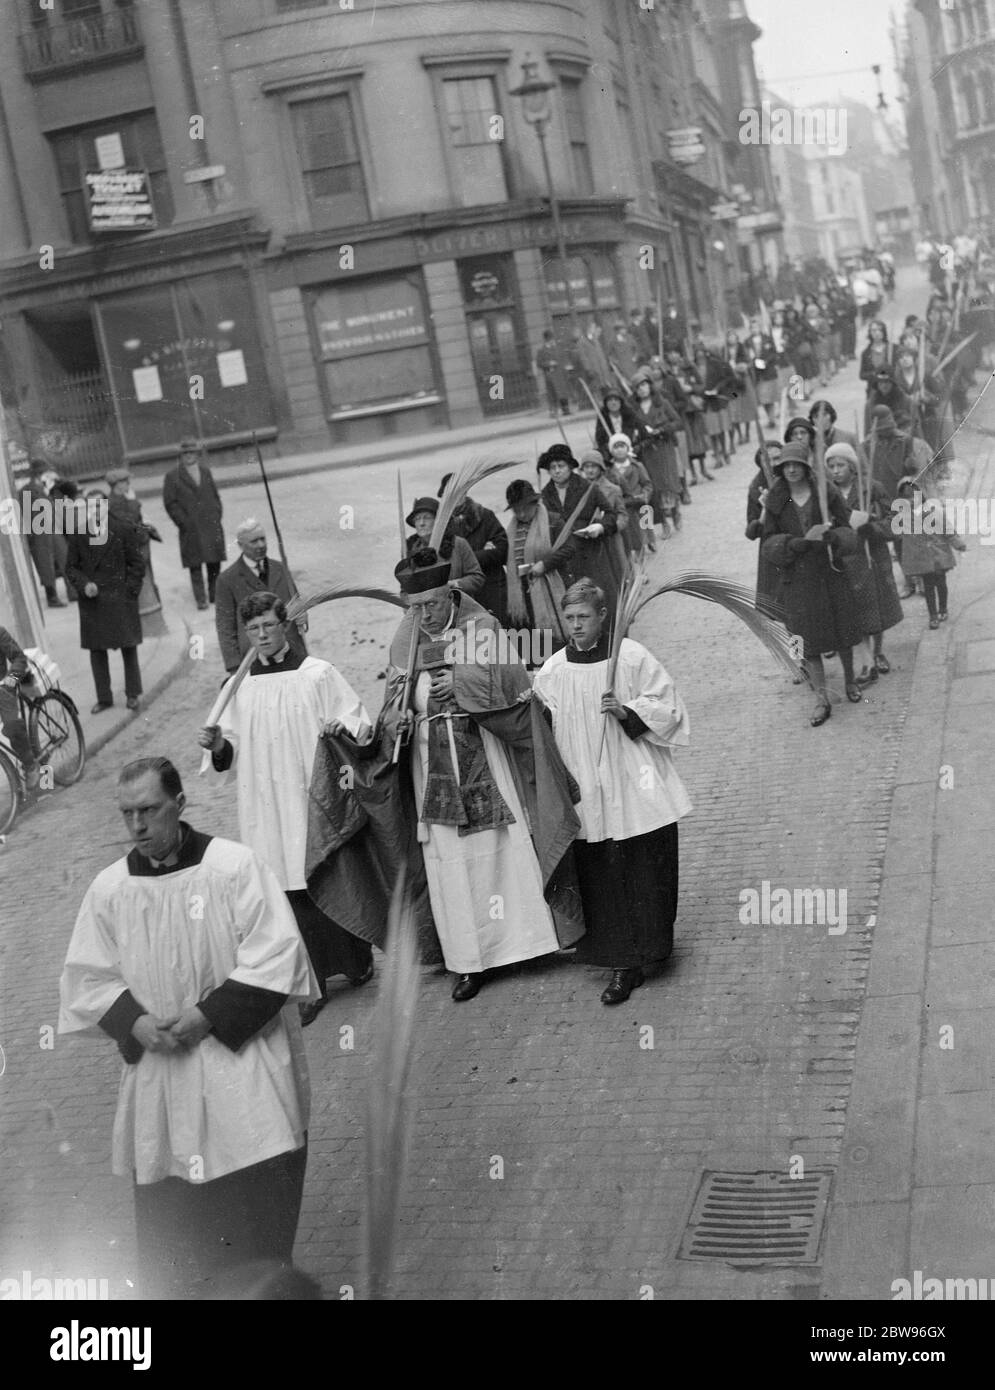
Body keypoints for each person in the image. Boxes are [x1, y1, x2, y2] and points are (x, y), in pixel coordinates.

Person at [58, 757, 317, 1300]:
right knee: (174, 1225)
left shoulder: (234, 867)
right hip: (162, 1078)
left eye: (149, 810)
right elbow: (87, 978)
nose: (138, 826)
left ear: (180, 803)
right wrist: (136, 1022)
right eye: (127, 813)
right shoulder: (110, 890)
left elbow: (278, 954)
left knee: (253, 1213)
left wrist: (208, 1015)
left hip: (241, 1068)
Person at [317, 548, 583, 1001]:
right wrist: (392, 723)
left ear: (451, 593)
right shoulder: (407, 637)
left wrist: (459, 684)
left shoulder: (480, 627)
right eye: (416, 608)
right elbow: (394, 701)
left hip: (485, 750)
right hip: (430, 759)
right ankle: (470, 960)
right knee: (451, 864)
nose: (425, 615)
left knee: (501, 849)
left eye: (433, 605)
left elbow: (514, 685)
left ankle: (526, 944)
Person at [199, 593, 374, 1024]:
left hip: (311, 793)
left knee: (323, 871)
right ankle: (309, 982)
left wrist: (342, 726)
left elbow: (358, 721)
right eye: (253, 629)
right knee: (284, 886)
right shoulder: (236, 689)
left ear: (285, 626)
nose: (261, 635)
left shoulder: (317, 675)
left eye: (269, 626)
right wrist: (218, 744)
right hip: (265, 802)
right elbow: (228, 750)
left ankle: (354, 962)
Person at [533, 580, 692, 1004]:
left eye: (584, 617)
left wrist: (628, 711)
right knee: (602, 870)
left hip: (631, 778)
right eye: (569, 618)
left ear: (603, 616)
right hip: (586, 784)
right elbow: (543, 725)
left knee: (641, 864)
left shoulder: (631, 657)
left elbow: (669, 706)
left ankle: (651, 950)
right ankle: (622, 961)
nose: (576, 626)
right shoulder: (553, 670)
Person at [760, 441, 863, 726]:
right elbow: (767, 541)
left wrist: (834, 538)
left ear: (806, 467)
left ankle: (851, 682)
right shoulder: (777, 499)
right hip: (798, 577)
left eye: (797, 465)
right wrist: (793, 544)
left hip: (829, 571)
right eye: (786, 466)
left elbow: (846, 527)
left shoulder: (825, 492)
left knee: (842, 630)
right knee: (808, 640)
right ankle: (821, 699)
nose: (792, 470)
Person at [824, 442, 903, 683]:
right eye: (831, 466)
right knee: (856, 613)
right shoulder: (826, 494)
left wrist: (874, 527)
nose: (836, 470)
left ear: (853, 466)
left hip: (872, 557)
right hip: (846, 561)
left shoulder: (872, 488)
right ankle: (867, 664)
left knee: (876, 609)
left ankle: (878, 653)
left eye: (841, 465)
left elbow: (896, 521)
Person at [65, 486, 145, 714]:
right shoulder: (79, 534)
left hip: (121, 598)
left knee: (128, 648)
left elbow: (137, 564)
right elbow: (71, 568)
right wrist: (84, 584)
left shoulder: (123, 529)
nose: (95, 510)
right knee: (97, 652)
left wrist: (130, 591)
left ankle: (132, 694)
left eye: (99, 505)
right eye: (90, 506)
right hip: (93, 602)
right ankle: (104, 698)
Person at [214, 518, 307, 675]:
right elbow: (225, 627)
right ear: (241, 545)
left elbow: (295, 603)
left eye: (262, 539)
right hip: (256, 658)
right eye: (254, 541)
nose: (261, 545)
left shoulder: (280, 568)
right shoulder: (227, 579)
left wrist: (302, 614)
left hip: (291, 651)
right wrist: (234, 667)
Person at [537, 443, 619, 609]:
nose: (557, 471)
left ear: (570, 467)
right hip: (564, 560)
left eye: (561, 466)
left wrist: (600, 528)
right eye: (552, 467)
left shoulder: (588, 488)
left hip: (590, 554)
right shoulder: (544, 496)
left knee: (598, 601)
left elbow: (611, 515)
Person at [504, 479, 574, 651]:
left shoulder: (553, 521)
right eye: (516, 510)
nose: (521, 514)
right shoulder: (511, 529)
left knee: (558, 637)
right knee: (536, 643)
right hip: (524, 592)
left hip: (552, 588)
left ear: (535, 503)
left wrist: (545, 564)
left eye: (524, 509)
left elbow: (570, 548)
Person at [893, 478, 967, 629]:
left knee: (941, 583)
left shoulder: (933, 510)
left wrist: (957, 542)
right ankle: (933, 615)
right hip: (921, 559)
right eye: (906, 498)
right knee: (928, 587)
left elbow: (946, 528)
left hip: (938, 554)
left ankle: (943, 608)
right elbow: (898, 535)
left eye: (914, 496)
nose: (911, 500)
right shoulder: (903, 516)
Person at [162, 437, 226, 610]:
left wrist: (217, 513)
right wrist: (183, 522)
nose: (189, 456)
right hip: (191, 527)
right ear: (181, 456)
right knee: (195, 565)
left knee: (214, 561)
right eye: (185, 453)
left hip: (210, 524)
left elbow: (214, 494)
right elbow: (170, 503)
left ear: (198, 454)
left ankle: (214, 595)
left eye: (192, 453)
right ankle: (201, 599)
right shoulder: (172, 476)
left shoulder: (205, 471)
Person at [436, 475, 509, 623]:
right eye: (449, 495)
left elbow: (503, 551)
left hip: (492, 590)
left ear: (465, 492)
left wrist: (467, 558)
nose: (454, 498)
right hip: (462, 598)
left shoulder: (484, 515)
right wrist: (484, 552)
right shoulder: (440, 527)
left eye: (458, 492)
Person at [630, 368, 684, 538]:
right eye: (638, 387)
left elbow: (677, 422)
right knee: (654, 486)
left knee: (668, 482)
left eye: (645, 385)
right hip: (647, 452)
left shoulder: (662, 403)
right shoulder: (634, 410)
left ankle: (675, 512)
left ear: (650, 386)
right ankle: (664, 524)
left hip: (664, 447)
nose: (642, 389)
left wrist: (660, 430)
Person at [106, 468, 162, 618]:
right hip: (133, 546)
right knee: (142, 578)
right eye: (125, 482)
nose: (128, 484)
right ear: (116, 484)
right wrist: (132, 501)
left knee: (149, 577)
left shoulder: (122, 498)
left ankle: (154, 607)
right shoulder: (113, 502)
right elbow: (129, 522)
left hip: (141, 542)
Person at [405, 497, 484, 597]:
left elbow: (477, 577)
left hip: (456, 607)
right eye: (417, 519)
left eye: (427, 518)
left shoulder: (458, 544)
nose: (421, 523)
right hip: (425, 609)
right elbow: (405, 588)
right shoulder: (411, 549)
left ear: (439, 521)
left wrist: (453, 585)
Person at [744, 441, 784, 620]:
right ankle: (794, 647)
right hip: (772, 549)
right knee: (780, 611)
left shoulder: (793, 478)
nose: (774, 464)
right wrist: (765, 508)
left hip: (796, 542)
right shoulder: (756, 487)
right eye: (768, 461)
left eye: (778, 458)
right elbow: (752, 531)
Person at [20, 458, 66, 608]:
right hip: (39, 531)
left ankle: (73, 592)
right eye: (47, 471)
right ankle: (52, 597)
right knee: (45, 565)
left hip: (53, 528)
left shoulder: (51, 487)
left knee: (64, 557)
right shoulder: (27, 490)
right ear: (39, 474)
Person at [0, 624, 41, 789]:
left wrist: (9, 681)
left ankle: (31, 765)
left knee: (13, 727)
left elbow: (19, 659)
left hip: (4, 689)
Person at [606, 433, 653, 559]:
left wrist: (644, 495)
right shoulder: (609, 470)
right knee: (630, 535)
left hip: (638, 502)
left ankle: (648, 542)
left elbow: (647, 484)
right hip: (623, 505)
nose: (619, 449)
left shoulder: (637, 466)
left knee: (644, 526)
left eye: (622, 446)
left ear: (628, 448)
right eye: (616, 447)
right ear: (611, 451)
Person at [594, 386, 638, 462]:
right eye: (610, 400)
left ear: (621, 402)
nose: (613, 402)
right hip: (611, 454)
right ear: (606, 403)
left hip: (631, 452)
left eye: (616, 400)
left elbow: (639, 434)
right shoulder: (602, 417)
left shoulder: (630, 415)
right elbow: (600, 439)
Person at [535, 329, 571, 416]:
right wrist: (548, 363)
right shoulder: (541, 350)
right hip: (550, 374)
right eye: (550, 339)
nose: (552, 341)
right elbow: (539, 363)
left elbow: (563, 358)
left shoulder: (557, 348)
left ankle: (565, 409)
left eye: (552, 339)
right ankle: (553, 411)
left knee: (563, 391)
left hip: (560, 373)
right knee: (552, 393)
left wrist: (566, 367)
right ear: (546, 339)